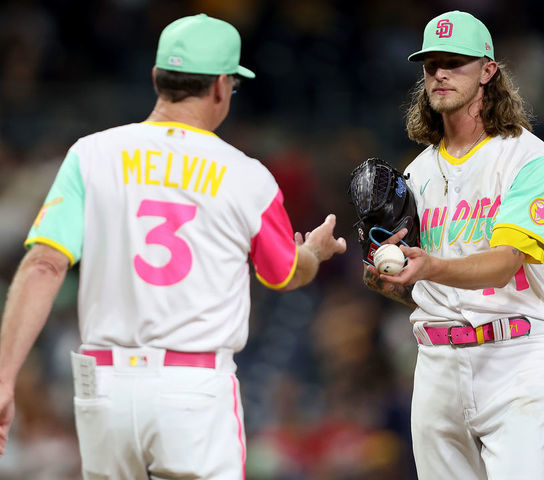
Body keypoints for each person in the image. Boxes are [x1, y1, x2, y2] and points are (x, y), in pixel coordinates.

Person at [0, 14, 346, 480]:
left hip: (103, 386)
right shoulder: (245, 175)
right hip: (193, 388)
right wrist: (314, 255)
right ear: (223, 86)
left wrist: (4, 377)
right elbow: (283, 274)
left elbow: (43, 264)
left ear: (157, 78)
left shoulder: (91, 154)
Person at [363, 10, 544, 480]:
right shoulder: (415, 174)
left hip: (515, 358)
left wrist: (428, 266)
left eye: (455, 62)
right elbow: (417, 283)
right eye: (431, 62)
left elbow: (504, 264)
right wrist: (385, 278)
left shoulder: (530, 161)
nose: (440, 73)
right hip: (436, 362)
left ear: (488, 71)